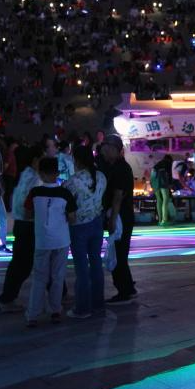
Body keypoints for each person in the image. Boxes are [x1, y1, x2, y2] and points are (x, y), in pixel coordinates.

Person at [24, 157, 77, 326]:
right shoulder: (65, 194)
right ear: (57, 173)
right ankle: (55, 311)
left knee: (39, 277)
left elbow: (27, 214)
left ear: (40, 173)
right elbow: (72, 218)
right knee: (57, 276)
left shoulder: (34, 192)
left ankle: (33, 315)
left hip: (42, 241)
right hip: (61, 240)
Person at [63, 144, 107, 318]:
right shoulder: (101, 176)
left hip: (78, 227)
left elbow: (67, 206)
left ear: (77, 160)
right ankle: (98, 304)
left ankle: (82, 308)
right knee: (96, 263)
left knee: (81, 267)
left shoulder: (72, 182)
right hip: (97, 223)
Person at [0, 145, 40, 313]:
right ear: (35, 160)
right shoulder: (34, 178)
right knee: (24, 265)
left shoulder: (26, 174)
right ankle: (6, 299)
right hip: (28, 225)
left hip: (22, 224)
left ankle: (7, 298)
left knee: (23, 263)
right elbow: (27, 205)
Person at [100, 135, 137, 304]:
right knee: (119, 252)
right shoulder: (111, 166)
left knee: (118, 254)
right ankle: (128, 288)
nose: (103, 150)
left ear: (114, 148)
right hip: (120, 215)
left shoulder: (121, 168)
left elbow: (118, 196)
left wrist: (113, 219)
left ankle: (124, 291)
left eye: (105, 147)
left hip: (121, 216)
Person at [150, 153, 174, 226]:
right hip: (162, 177)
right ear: (170, 160)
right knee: (165, 199)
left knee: (159, 199)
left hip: (153, 178)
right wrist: (170, 184)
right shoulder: (168, 163)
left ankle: (160, 220)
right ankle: (164, 220)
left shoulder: (158, 163)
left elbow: (153, 172)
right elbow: (169, 174)